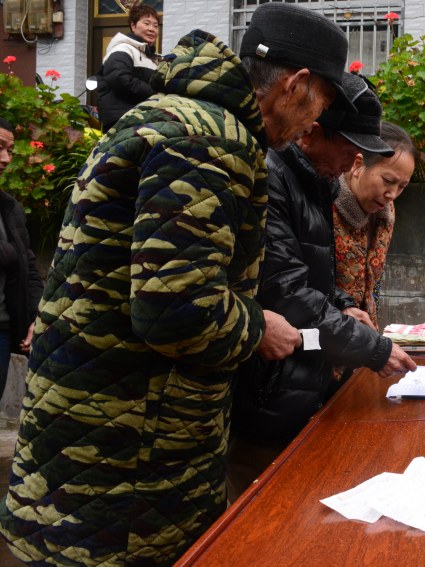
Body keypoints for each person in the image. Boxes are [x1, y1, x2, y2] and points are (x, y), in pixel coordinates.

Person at [0, 4, 351, 564]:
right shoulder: (208, 139)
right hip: (128, 462)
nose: (315, 125)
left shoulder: (173, 116)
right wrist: (260, 326)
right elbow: (176, 309)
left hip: (102, 437)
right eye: (322, 107)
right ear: (296, 85)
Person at [228, 73, 416, 497]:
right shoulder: (274, 177)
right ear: (312, 131)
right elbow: (287, 292)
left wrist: (344, 302)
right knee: (255, 509)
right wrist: (375, 349)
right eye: (351, 151)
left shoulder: (316, 182)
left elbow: (318, 277)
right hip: (269, 388)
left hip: (306, 377)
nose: (351, 163)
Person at [334, 122, 416, 329]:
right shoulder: (324, 204)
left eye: (402, 186)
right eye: (388, 180)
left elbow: (373, 288)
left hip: (363, 339)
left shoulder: (386, 213)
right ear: (358, 164)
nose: (392, 194)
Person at [0, 117, 42, 403]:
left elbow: (28, 266)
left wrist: (34, 316)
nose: (5, 159)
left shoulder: (9, 207)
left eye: (10, 150)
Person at [96, 2, 160, 131]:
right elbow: (121, 79)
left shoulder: (153, 58)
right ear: (133, 25)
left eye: (155, 25)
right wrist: (156, 95)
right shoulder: (122, 49)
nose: (152, 29)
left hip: (142, 119)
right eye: (146, 23)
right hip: (123, 121)